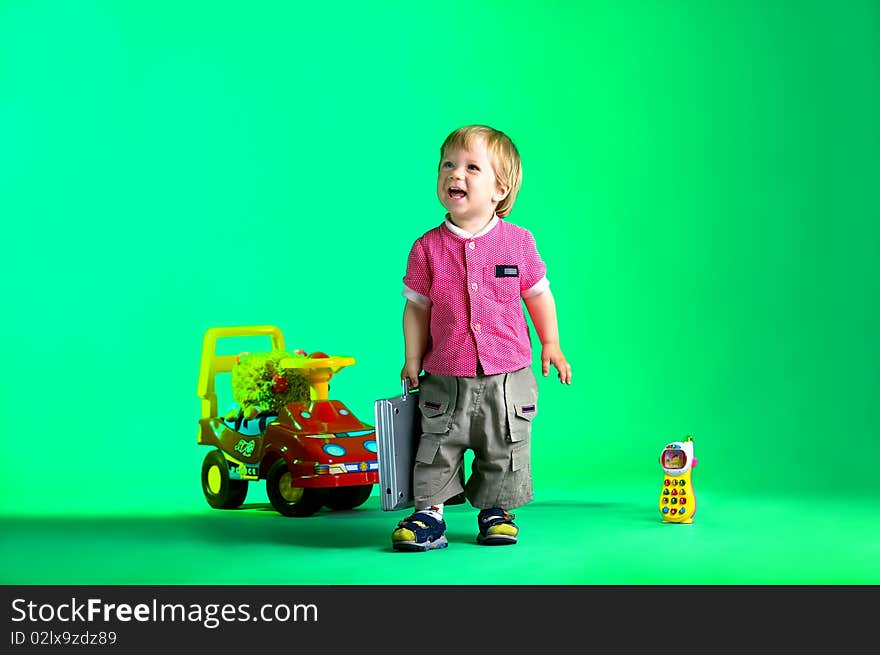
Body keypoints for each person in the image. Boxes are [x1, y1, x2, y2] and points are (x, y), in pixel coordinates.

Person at [392, 124, 572, 552]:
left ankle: (497, 510)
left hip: (507, 377)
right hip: (444, 376)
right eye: (448, 165)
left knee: (505, 444)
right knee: (436, 445)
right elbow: (416, 307)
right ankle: (429, 514)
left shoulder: (518, 243)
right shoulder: (426, 248)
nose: (456, 174)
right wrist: (412, 358)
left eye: (473, 167)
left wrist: (551, 343)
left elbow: (538, 295)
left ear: (499, 190)